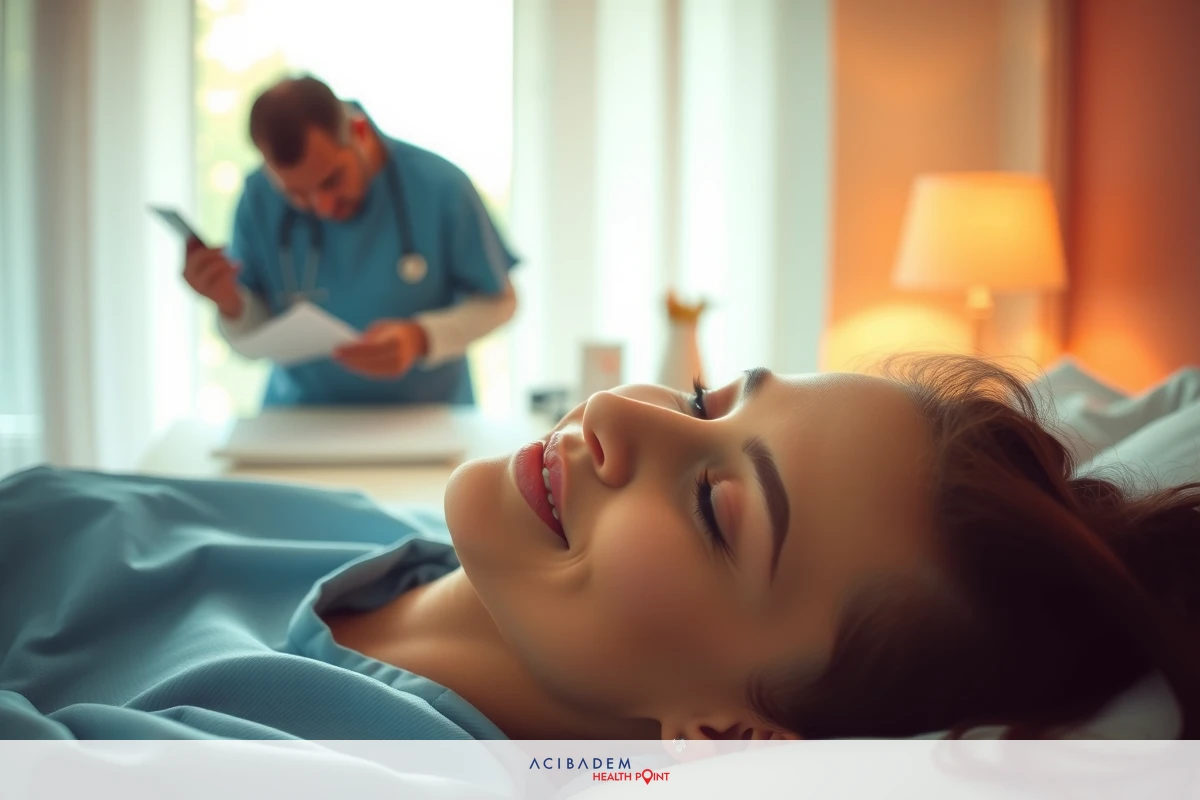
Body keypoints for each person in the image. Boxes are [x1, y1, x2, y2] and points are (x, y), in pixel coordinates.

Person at [1, 355, 1199, 740]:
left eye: (718, 504)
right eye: (705, 397)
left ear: (733, 733)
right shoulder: (392, 541)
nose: (622, 413)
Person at [182, 75, 519, 407]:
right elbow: (252, 332)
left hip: (424, 423)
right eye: (297, 194)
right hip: (300, 423)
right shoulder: (258, 199)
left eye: (332, 180)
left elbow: (501, 302)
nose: (322, 207)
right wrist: (228, 302)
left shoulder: (442, 187)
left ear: (359, 133)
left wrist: (420, 338)